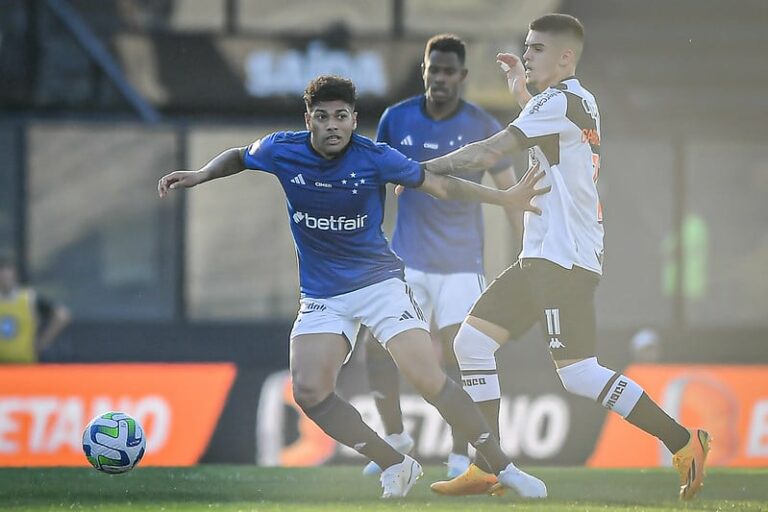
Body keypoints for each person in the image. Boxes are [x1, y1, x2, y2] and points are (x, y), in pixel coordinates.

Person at [158, 74, 550, 499]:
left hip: (380, 284)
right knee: (309, 391)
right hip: (323, 294)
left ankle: (503, 467)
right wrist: (201, 174)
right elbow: (238, 156)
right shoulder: (281, 150)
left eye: (341, 117)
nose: (332, 125)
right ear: (308, 119)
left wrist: (504, 197)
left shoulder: (374, 157)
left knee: (427, 378)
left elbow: (440, 185)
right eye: (322, 117)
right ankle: (395, 463)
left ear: (353, 119)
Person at [416, 14, 710, 501]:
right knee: (471, 344)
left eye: (535, 48)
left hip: (563, 260)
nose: (526, 54)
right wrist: (519, 89)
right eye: (526, 47)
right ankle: (487, 465)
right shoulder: (575, 100)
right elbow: (545, 126)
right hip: (543, 256)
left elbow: (490, 152)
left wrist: (416, 170)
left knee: (578, 373)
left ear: (565, 57)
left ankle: (684, 441)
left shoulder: (560, 102)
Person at [361, 33, 522, 479]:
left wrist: (527, 255)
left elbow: (509, 192)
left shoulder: (483, 125)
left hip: (460, 266)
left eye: (449, 71)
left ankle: (457, 454)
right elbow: (375, 177)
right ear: (424, 72)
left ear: (463, 76)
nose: (441, 78)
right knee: (375, 348)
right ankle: (394, 439)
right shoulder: (396, 119)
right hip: (406, 261)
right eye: (434, 69)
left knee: (459, 359)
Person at [0, 255, 71, 363]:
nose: (4, 276)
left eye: (7, 271)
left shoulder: (28, 298)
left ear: (14, 273)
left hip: (24, 363)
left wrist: (42, 343)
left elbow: (62, 315)